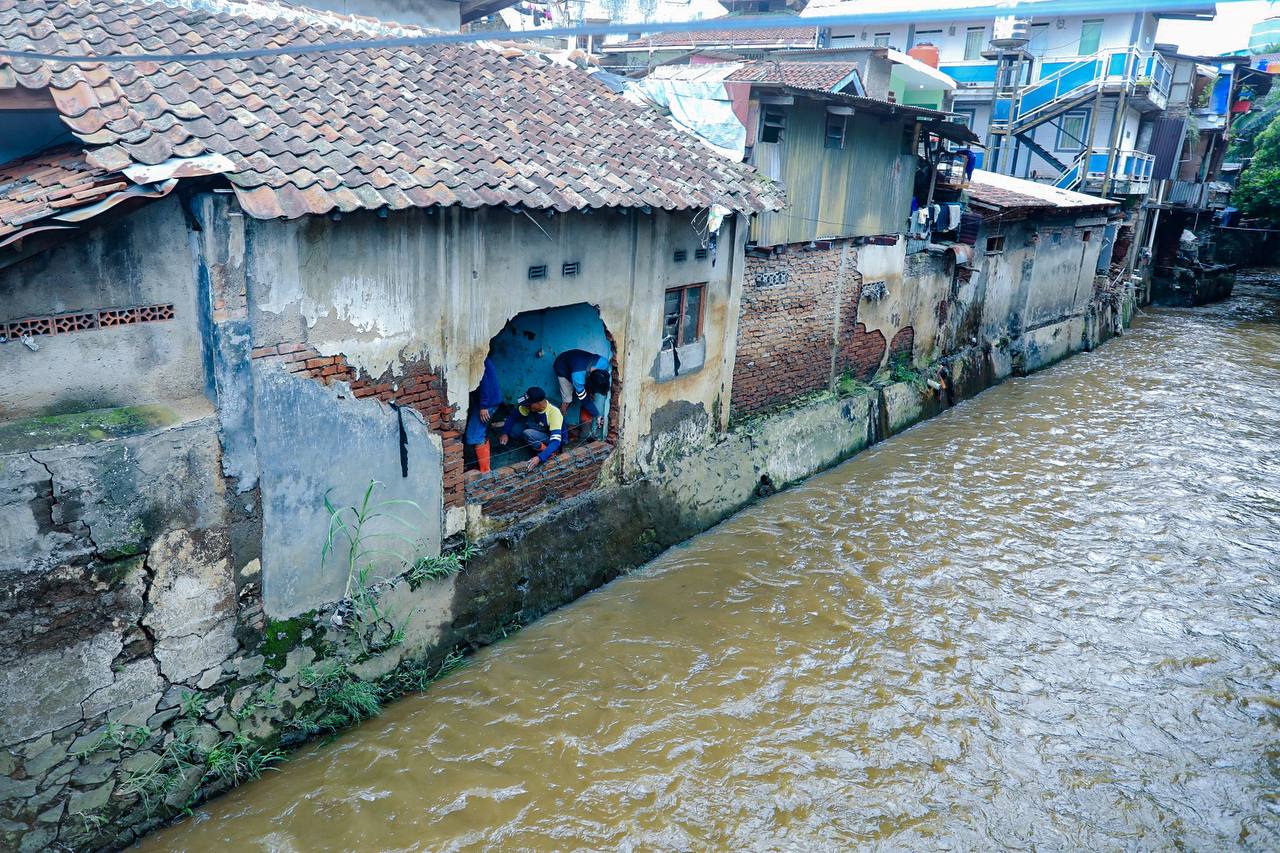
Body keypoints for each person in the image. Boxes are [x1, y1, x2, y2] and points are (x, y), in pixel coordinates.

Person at [499, 386, 564, 471]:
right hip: (535, 431)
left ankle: (549, 452)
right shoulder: (529, 407)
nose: (526, 406)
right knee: (514, 429)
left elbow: (556, 441)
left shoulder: (553, 413)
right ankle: (530, 446)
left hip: (551, 440)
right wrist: (505, 433)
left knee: (528, 433)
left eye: (529, 404)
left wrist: (539, 458)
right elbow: (512, 417)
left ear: (538, 404)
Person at [552, 348, 610, 432]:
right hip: (562, 367)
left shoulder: (604, 363)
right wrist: (597, 415)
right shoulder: (577, 377)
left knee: (589, 394)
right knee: (568, 399)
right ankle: (557, 425)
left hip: (577, 362)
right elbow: (584, 400)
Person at [465, 357, 501, 472]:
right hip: (488, 401)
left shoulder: (478, 359)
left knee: (474, 435)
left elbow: (483, 382)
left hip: (487, 403)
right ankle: (482, 467)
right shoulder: (483, 357)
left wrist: (483, 406)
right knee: (478, 432)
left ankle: (485, 471)